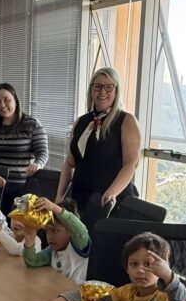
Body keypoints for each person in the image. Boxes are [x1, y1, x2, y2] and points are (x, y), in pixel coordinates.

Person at [37, 232, 186, 301]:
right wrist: (64, 298)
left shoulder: (166, 297)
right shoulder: (127, 292)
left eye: (148, 264)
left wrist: (168, 276)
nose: (140, 270)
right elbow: (96, 292)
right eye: (134, 264)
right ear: (126, 268)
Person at [57, 68, 141, 214]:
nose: (102, 92)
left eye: (109, 87)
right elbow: (69, 163)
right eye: (98, 86)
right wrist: (59, 196)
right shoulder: (81, 122)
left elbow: (131, 164)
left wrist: (111, 193)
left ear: (116, 91)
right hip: (80, 200)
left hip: (113, 202)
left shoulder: (126, 121)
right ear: (91, 90)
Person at [0, 83, 48, 213]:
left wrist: (38, 164)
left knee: (16, 226)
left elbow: (43, 152)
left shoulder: (31, 124)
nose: (2, 105)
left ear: (15, 100)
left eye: (6, 100)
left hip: (20, 188)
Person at [21, 197, 90, 284]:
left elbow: (80, 229)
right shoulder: (52, 251)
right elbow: (32, 261)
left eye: (55, 231)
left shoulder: (79, 244)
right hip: (55, 290)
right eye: (47, 230)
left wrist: (54, 208)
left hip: (74, 294)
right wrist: (29, 238)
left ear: (70, 231)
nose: (49, 236)